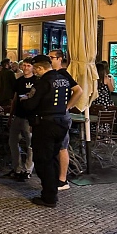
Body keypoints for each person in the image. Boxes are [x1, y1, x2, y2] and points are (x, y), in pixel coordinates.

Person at [21, 55, 72, 207]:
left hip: (45, 124)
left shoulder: (43, 82)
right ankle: (53, 191)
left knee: (43, 160)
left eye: (35, 69)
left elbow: (31, 104)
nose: (34, 72)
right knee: (53, 158)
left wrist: (24, 101)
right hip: (61, 122)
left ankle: (49, 196)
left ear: (40, 68)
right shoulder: (63, 78)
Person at [49, 50, 83, 191]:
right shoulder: (51, 75)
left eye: (51, 58)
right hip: (54, 115)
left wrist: (67, 107)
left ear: (59, 59)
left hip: (61, 116)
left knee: (62, 147)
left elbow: (78, 90)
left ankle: (63, 179)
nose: (50, 60)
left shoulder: (63, 74)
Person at [7, 57, 36, 180]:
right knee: (12, 141)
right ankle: (17, 168)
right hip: (18, 115)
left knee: (30, 144)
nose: (25, 68)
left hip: (29, 117)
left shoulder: (36, 81)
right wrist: (11, 115)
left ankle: (28, 169)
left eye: (28, 66)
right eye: (24, 65)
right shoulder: (18, 81)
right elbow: (15, 98)